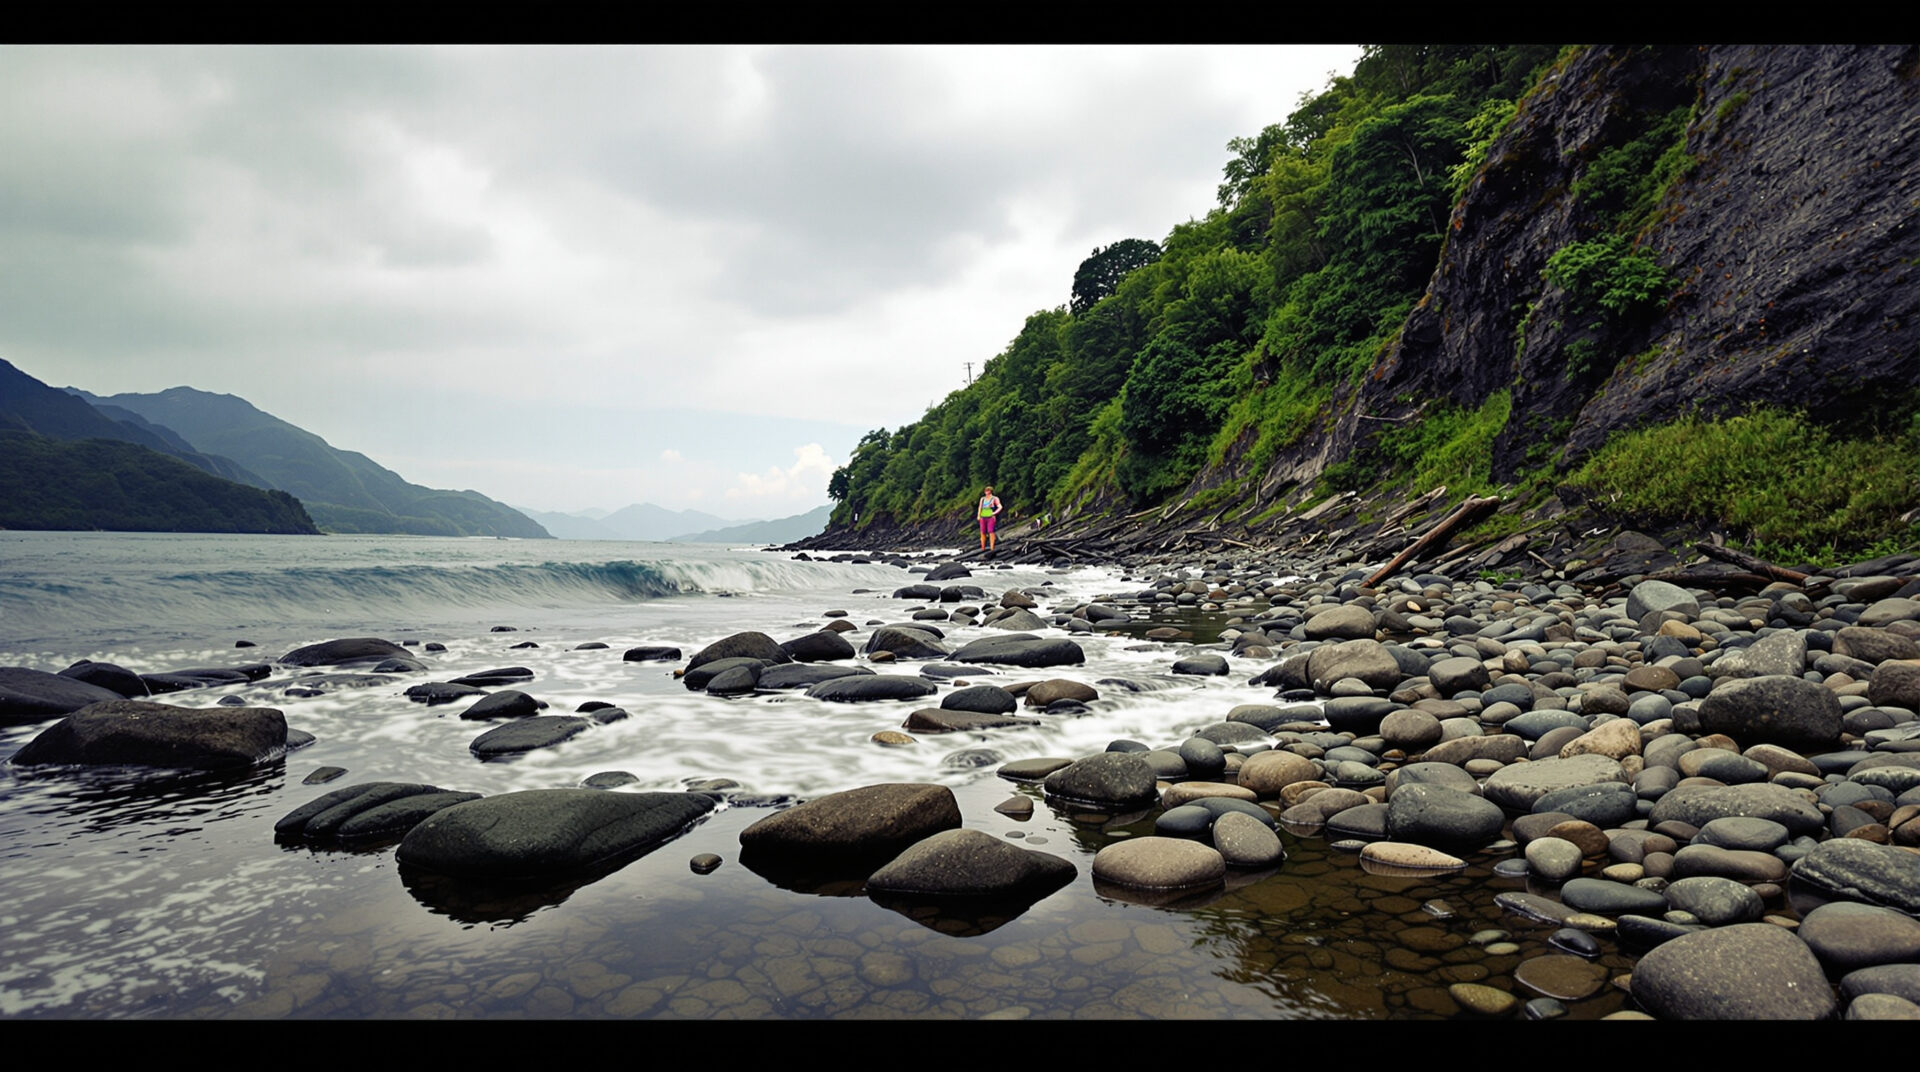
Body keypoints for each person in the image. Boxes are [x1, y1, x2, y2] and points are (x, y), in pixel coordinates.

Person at [977, 485, 1002, 551]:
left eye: (988, 490)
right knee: (982, 532)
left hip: (991, 517)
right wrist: (978, 515)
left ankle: (992, 547)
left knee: (991, 532)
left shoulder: (994, 498)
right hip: (983, 517)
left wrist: (994, 513)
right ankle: (983, 547)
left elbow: (1000, 507)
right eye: (986, 490)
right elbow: (980, 507)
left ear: (991, 491)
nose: (986, 492)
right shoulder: (982, 499)